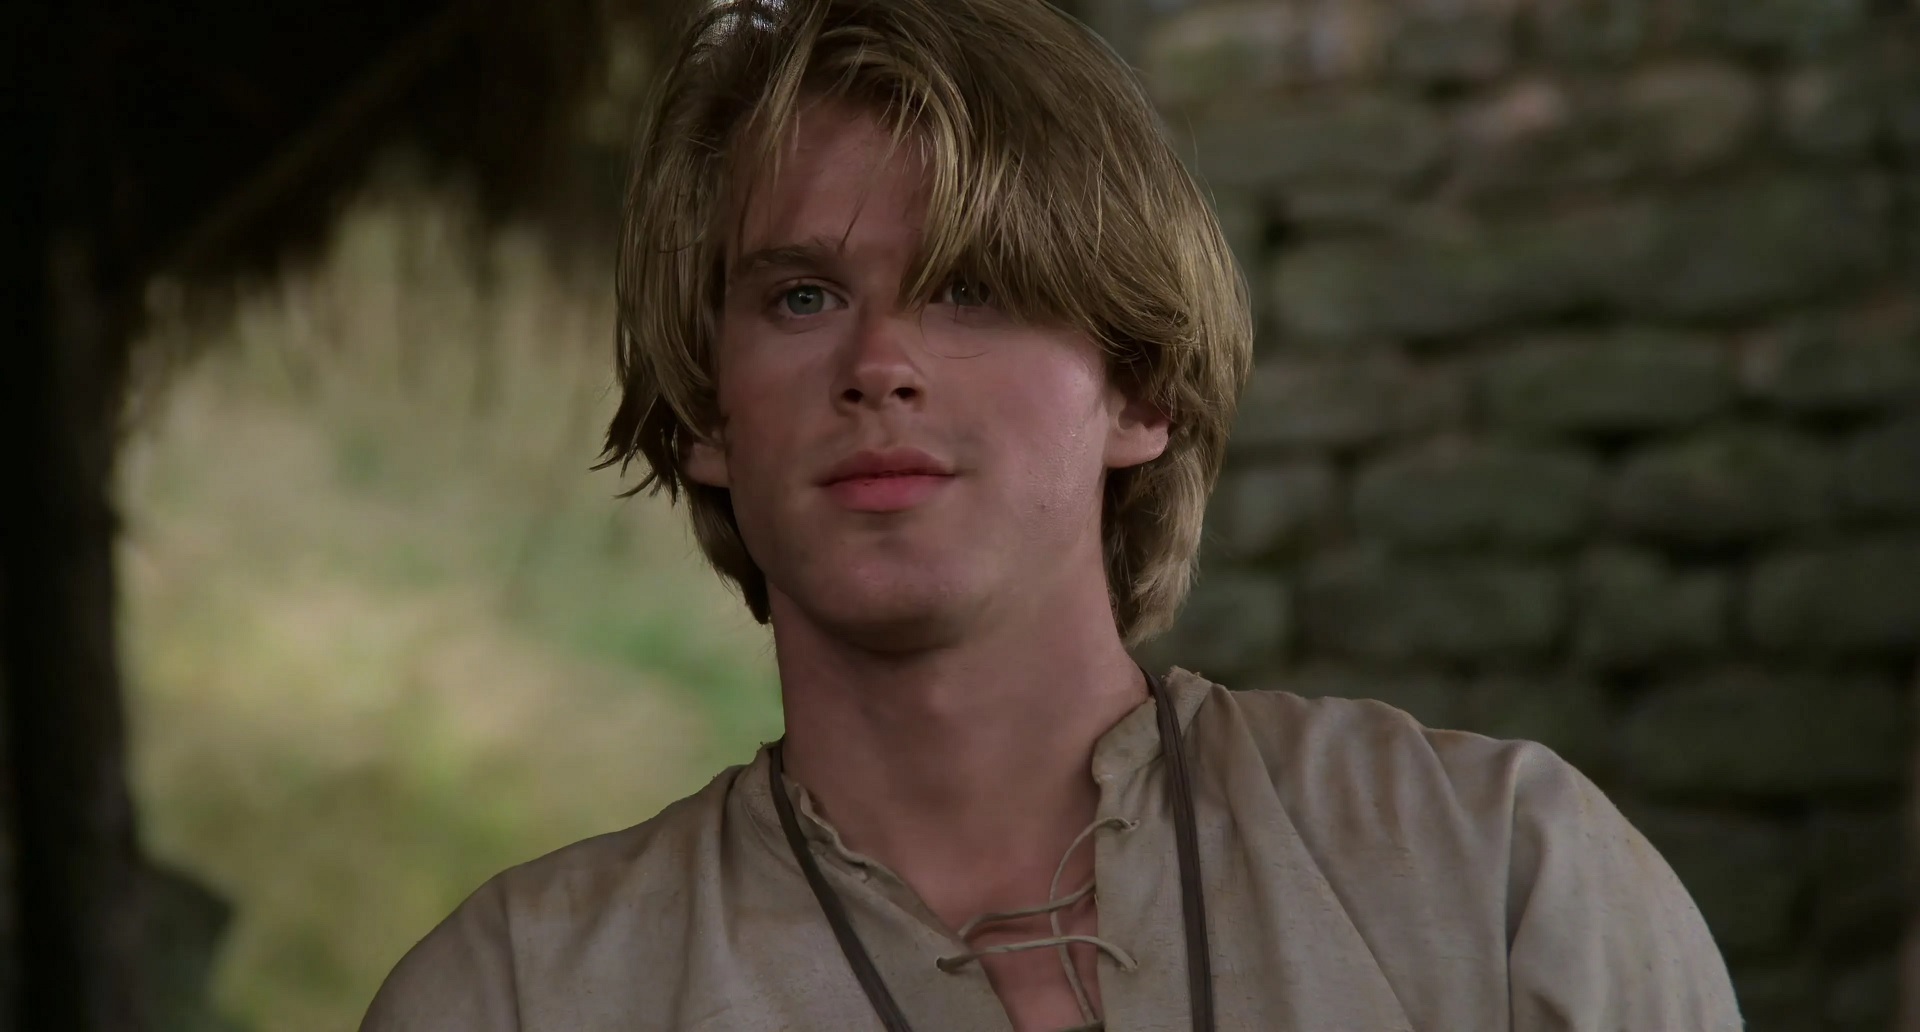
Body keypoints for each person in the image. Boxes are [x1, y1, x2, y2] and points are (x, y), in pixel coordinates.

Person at [360, 0, 1742, 1029]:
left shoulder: (1500, 878)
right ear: (709, 417)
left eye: (970, 288)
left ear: (1139, 389)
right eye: (801, 297)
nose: (879, 364)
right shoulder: (520, 997)